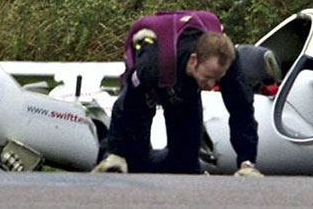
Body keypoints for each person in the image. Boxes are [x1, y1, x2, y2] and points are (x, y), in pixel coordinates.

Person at [92, 11, 262, 176]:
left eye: (217, 80)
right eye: (208, 78)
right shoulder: (152, 64)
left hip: (186, 76)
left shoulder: (228, 62)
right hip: (156, 67)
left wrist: (247, 163)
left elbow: (242, 110)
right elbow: (127, 101)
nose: (211, 86)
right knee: (134, 158)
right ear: (194, 60)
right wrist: (115, 153)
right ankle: (114, 155)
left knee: (185, 163)